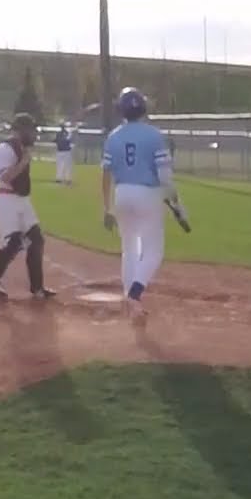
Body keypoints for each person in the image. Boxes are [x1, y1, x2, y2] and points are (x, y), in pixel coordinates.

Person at [101, 87, 175, 326]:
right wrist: (175, 200)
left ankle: (128, 298)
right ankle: (134, 295)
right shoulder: (154, 135)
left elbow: (105, 173)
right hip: (148, 193)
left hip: (122, 193)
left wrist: (107, 207)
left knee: (129, 247)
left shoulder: (113, 136)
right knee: (154, 250)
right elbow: (164, 176)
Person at [0, 113, 56, 302]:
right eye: (30, 130)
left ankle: (37, 288)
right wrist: (23, 163)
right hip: (6, 200)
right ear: (20, 130)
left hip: (22, 200)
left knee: (36, 239)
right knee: (13, 243)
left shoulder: (23, 148)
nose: (33, 135)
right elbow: (4, 177)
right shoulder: (6, 148)